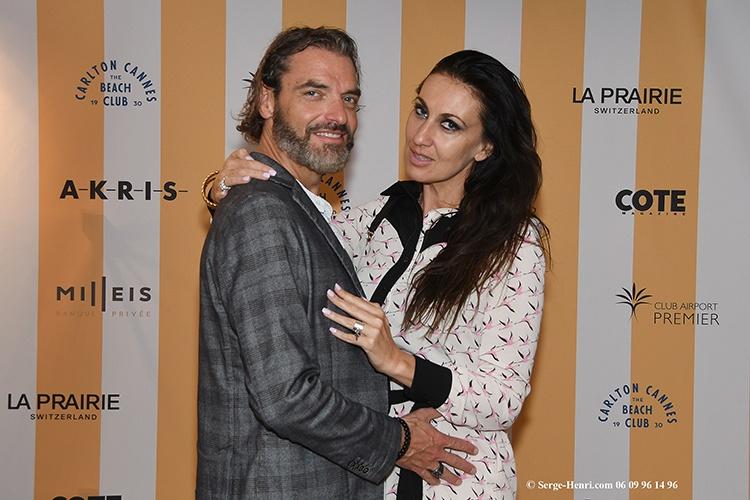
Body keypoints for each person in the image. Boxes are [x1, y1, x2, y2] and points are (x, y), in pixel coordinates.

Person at [209, 49, 548, 498]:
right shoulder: (384, 211)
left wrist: (396, 360)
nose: (421, 137)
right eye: (421, 111)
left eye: (449, 125)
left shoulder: (514, 243)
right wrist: (225, 186)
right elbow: (296, 238)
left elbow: (502, 399)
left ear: (485, 146)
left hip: (458, 475)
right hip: (374, 468)